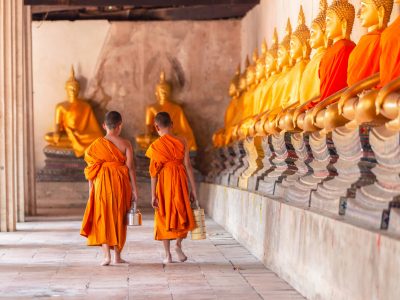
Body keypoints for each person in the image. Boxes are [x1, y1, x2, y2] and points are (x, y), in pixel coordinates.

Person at [80, 111, 138, 266]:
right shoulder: (126, 144)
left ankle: (106, 256)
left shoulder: (95, 146)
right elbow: (130, 168)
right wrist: (135, 190)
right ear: (120, 126)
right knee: (119, 217)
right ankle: (117, 256)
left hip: (101, 185)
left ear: (104, 126)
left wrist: (91, 189)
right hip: (121, 184)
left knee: (103, 218)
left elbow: (91, 171)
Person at [145, 111, 197, 264]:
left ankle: (167, 255)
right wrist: (193, 189)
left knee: (163, 215)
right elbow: (188, 165)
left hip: (164, 183)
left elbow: (153, 172)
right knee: (183, 211)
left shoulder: (155, 146)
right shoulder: (182, 141)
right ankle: (178, 244)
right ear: (172, 124)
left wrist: (153, 194)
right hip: (180, 181)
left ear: (156, 127)